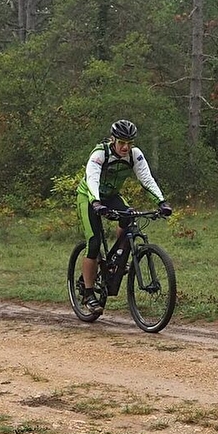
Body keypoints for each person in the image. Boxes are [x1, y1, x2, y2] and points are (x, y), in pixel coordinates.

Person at [76, 120, 172, 315]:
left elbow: (146, 178)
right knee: (93, 243)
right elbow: (92, 178)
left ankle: (117, 259)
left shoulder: (134, 155)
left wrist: (161, 202)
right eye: (121, 143)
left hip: (111, 196)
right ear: (113, 140)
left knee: (128, 216)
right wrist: (96, 203)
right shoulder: (99, 154)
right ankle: (87, 293)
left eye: (129, 143)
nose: (125, 147)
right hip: (88, 197)